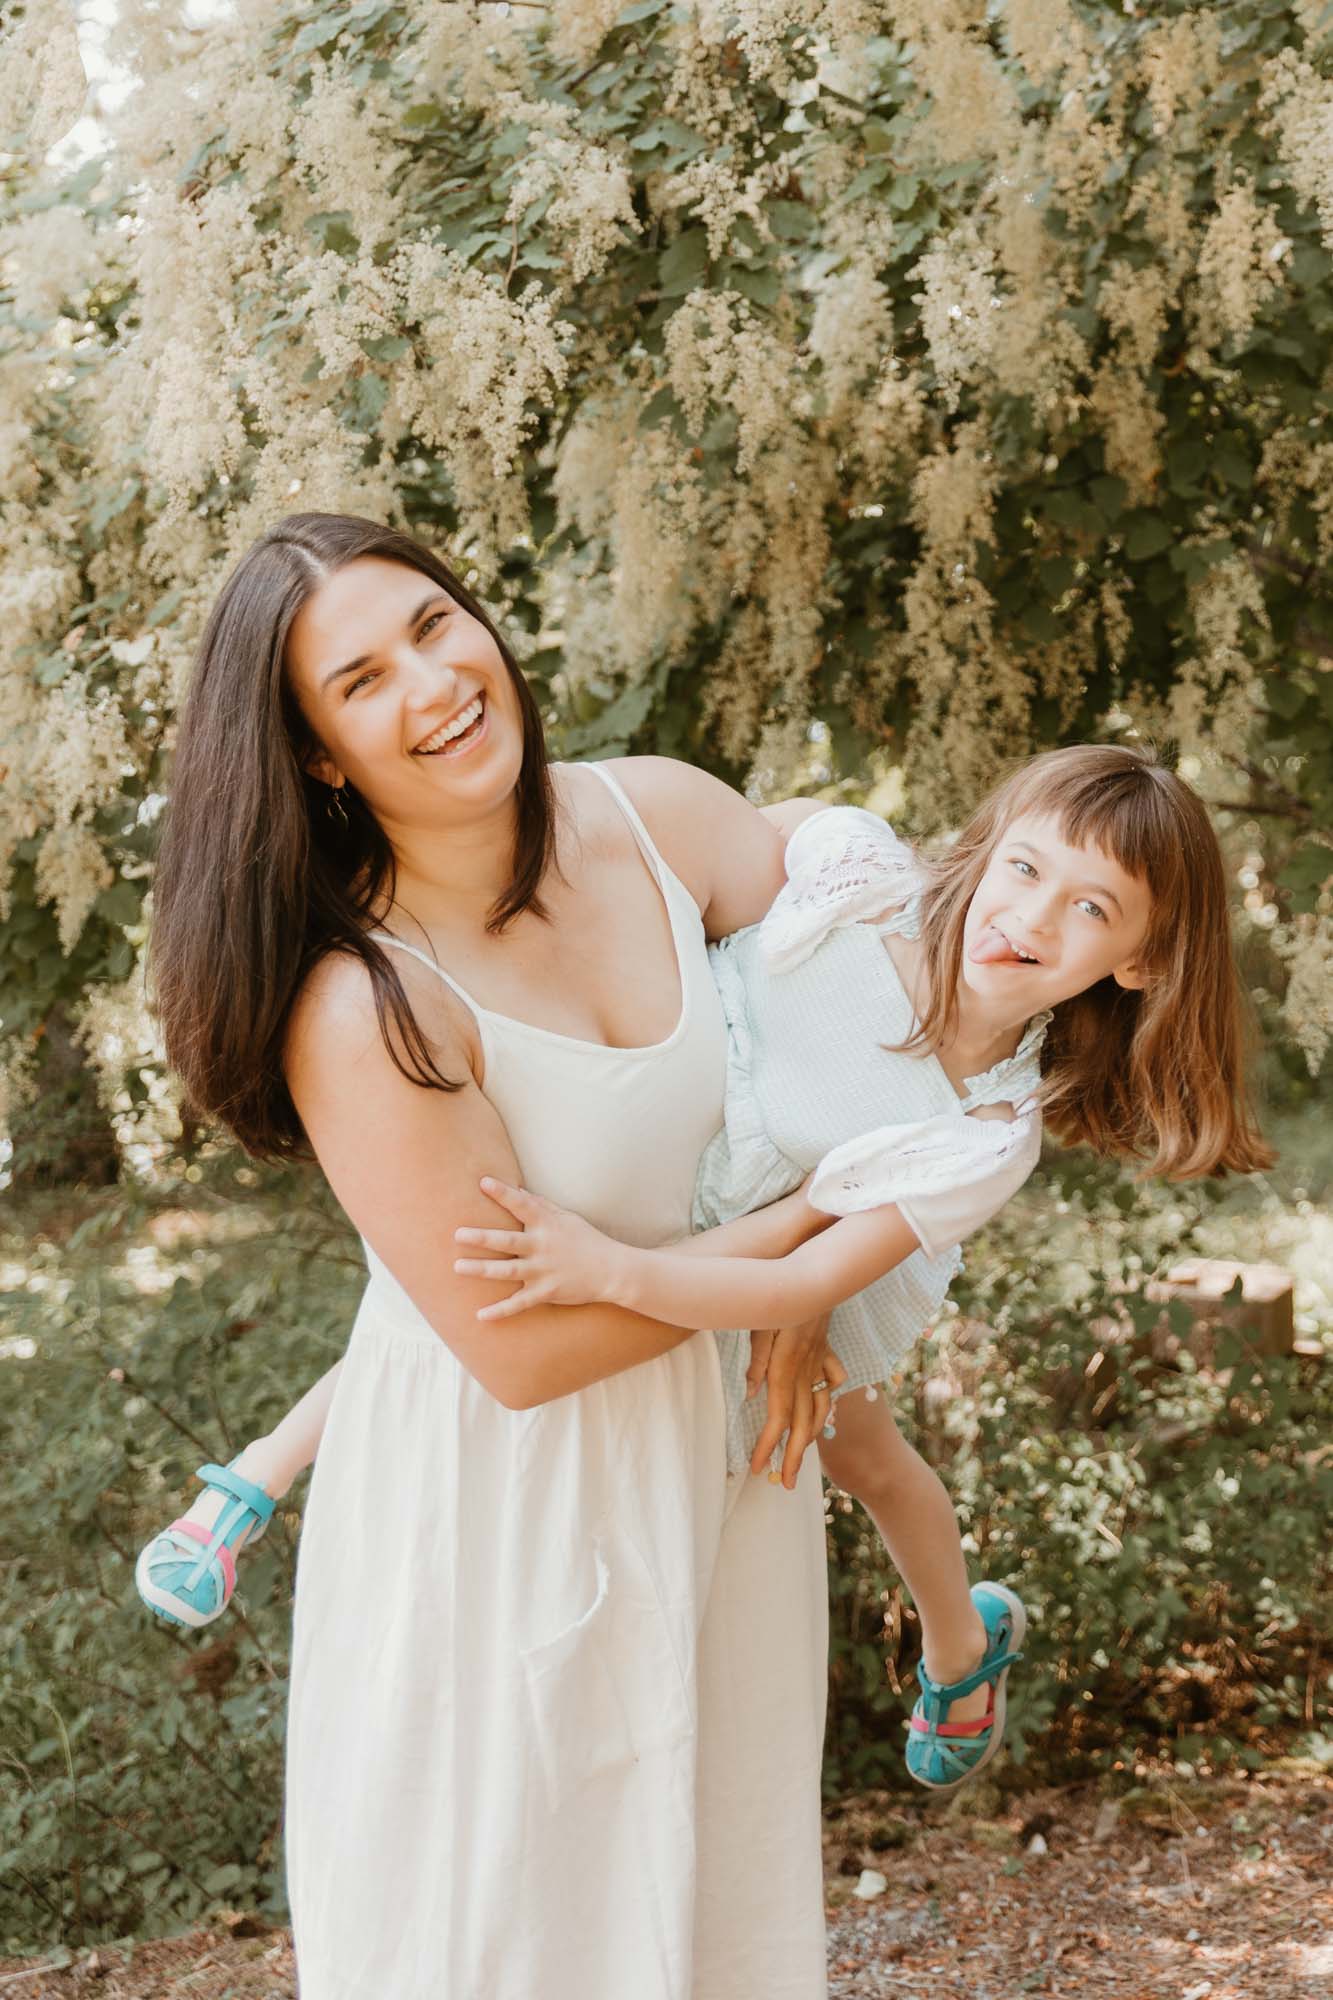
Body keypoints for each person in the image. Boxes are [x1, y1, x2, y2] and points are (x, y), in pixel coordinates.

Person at [141, 732, 1273, 1796]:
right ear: (984, 849)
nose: (1030, 915)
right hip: (672, 1156)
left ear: (1139, 961)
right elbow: (732, 850)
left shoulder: (979, 1130)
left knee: (865, 1455)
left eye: (1091, 909)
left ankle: (960, 1641)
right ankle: (252, 1481)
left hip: (804, 1262)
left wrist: (611, 1270)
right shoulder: (860, 882)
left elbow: (793, 1287)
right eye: (1024, 867)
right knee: (459, 1284)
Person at [142, 513, 843, 2000]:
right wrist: (791, 1266)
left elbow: (876, 1050)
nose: (434, 683)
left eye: (434, 625)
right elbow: (519, 1352)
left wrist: (812, 1290)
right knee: (516, 1941)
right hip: (498, 1507)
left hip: (723, 1464)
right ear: (322, 756)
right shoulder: (367, 1003)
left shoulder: (670, 821)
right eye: (363, 680)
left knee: (719, 1919)